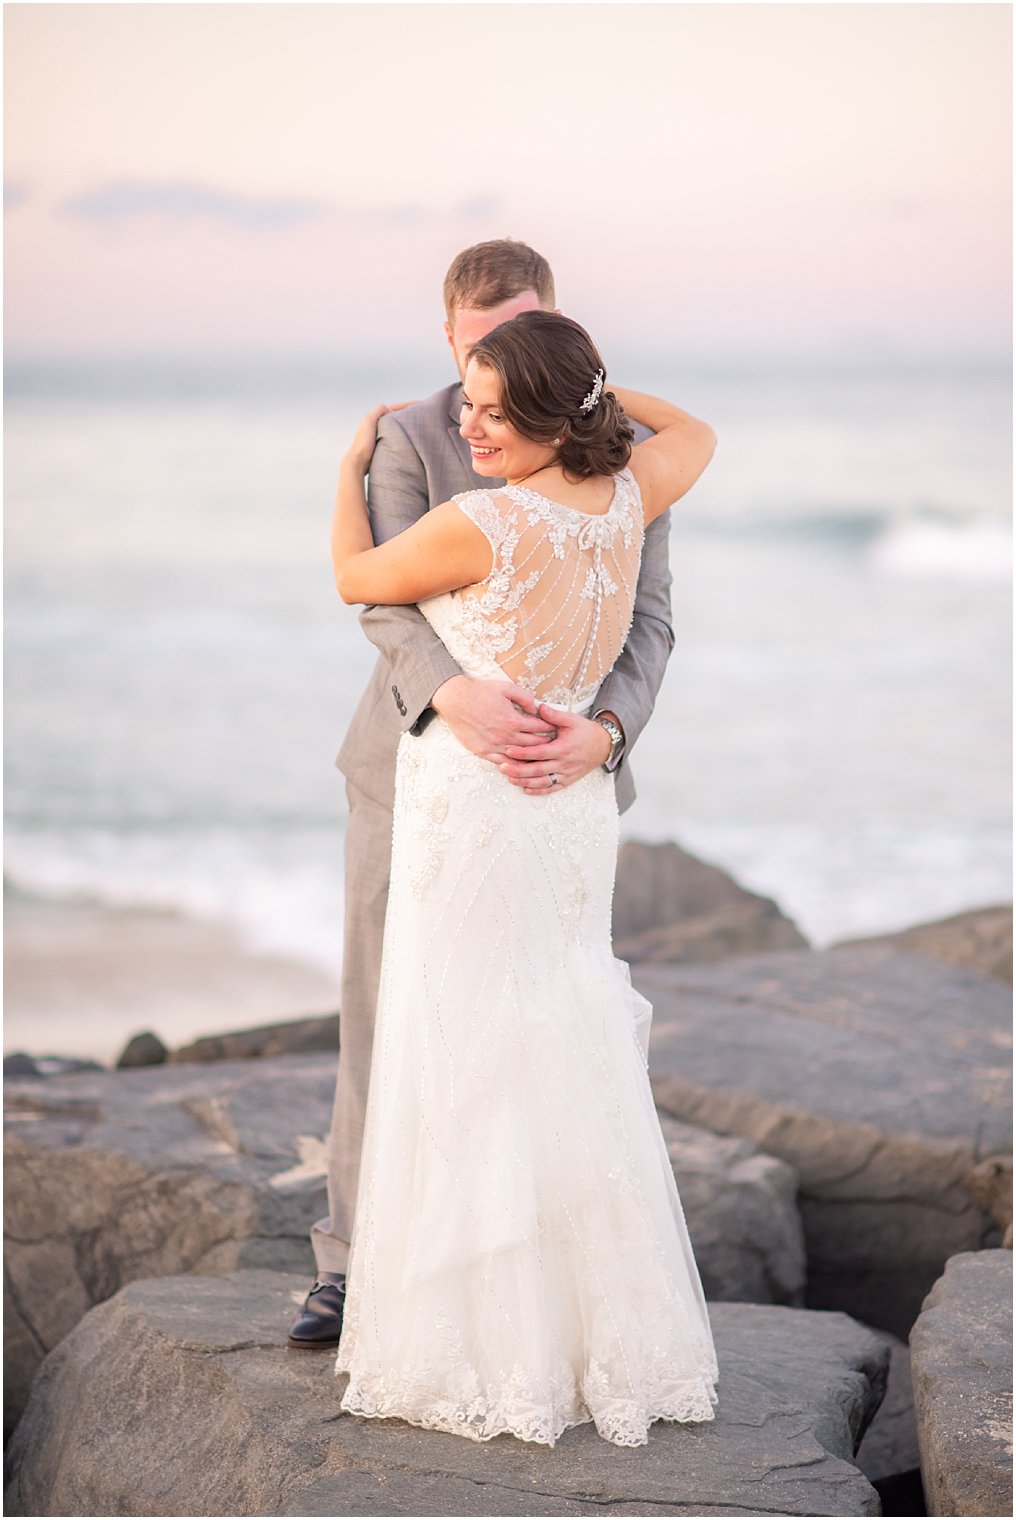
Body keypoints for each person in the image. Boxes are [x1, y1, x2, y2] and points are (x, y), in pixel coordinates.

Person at [327, 309, 719, 1447]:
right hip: (570, 806)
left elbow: (355, 573)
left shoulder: (479, 523)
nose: (469, 421)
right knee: (563, 1035)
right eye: (468, 399)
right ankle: (588, 1331)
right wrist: (591, 394)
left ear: (554, 416)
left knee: (463, 1047)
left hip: (480, 802)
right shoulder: (637, 493)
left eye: (499, 409)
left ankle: (479, 1337)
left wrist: (346, 466)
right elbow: (693, 425)